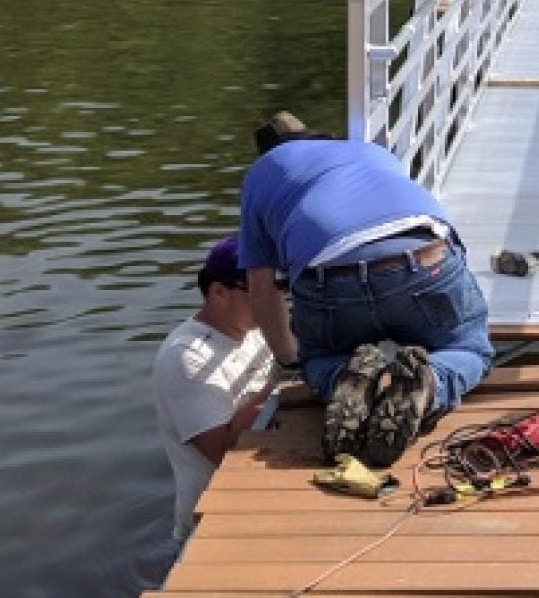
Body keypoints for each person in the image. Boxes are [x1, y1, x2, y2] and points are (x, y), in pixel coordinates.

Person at [239, 111, 493, 469]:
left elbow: (261, 287)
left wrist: (294, 361)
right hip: (422, 257)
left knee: (323, 359)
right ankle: (429, 382)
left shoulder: (262, 174)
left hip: (330, 275)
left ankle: (344, 379)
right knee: (467, 347)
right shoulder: (370, 152)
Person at [152, 236, 276, 543]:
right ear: (218, 292)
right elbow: (221, 452)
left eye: (275, 288)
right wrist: (282, 371)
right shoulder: (185, 356)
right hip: (212, 523)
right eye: (257, 291)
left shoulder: (256, 333)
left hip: (261, 496)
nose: (271, 301)